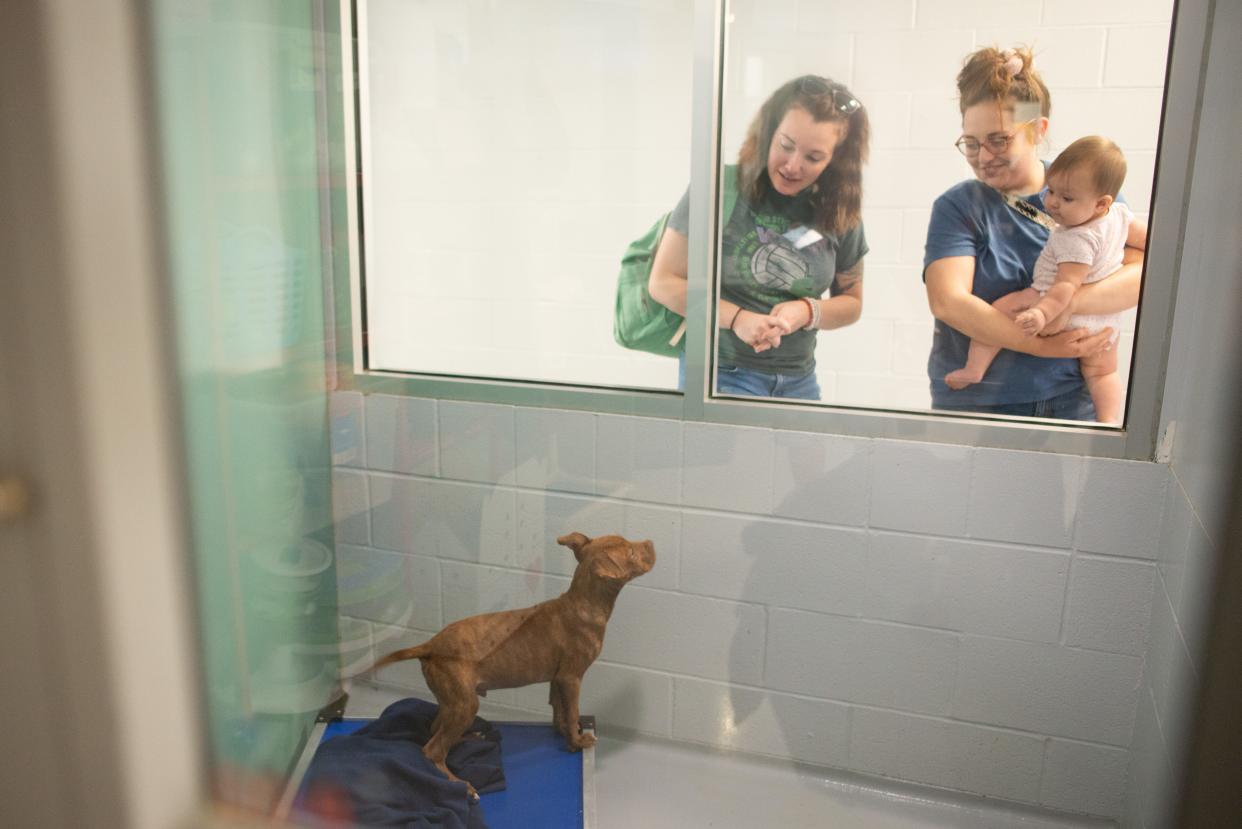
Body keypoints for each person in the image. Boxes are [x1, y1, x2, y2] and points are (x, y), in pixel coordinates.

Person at [924, 47, 1146, 421]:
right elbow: (949, 302)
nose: (983, 156)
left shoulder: (1091, 194)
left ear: (1038, 130)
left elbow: (1142, 277)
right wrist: (1044, 345)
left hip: (1073, 398)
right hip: (981, 406)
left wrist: (1063, 302)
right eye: (971, 143)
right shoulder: (958, 207)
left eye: (999, 139)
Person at [648, 75, 870, 400]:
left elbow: (851, 302)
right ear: (768, 134)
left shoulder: (840, 211)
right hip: (719, 371)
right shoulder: (718, 188)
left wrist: (806, 312)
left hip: (799, 378)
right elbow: (663, 283)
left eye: (813, 157)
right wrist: (738, 319)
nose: (793, 166)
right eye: (786, 145)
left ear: (836, 159)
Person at [944, 136, 1147, 424]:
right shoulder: (1120, 216)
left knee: (1000, 310)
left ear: (1101, 203)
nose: (1052, 203)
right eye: (1051, 191)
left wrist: (1041, 312)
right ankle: (1109, 421)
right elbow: (1150, 242)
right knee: (1103, 373)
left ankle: (974, 368)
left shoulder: (1075, 240)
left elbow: (1065, 286)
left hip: (1055, 303)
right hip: (1105, 320)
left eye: (1066, 198)